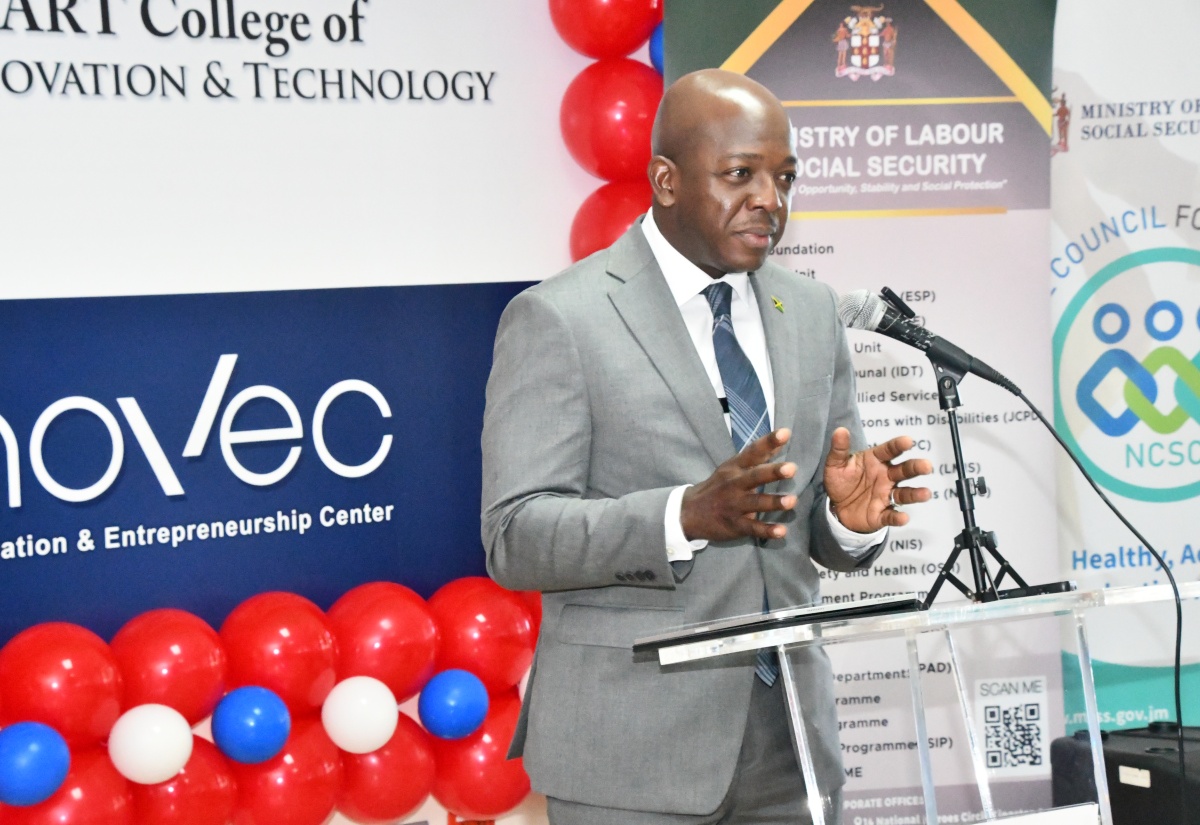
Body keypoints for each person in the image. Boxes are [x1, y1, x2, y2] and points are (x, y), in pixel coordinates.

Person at [481, 69, 932, 825]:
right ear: (665, 180)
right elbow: (515, 536)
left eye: (784, 177)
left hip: (792, 742)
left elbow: (809, 530)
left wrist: (850, 518)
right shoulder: (560, 318)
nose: (771, 200)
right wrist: (684, 516)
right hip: (631, 754)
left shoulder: (812, 310)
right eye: (740, 175)